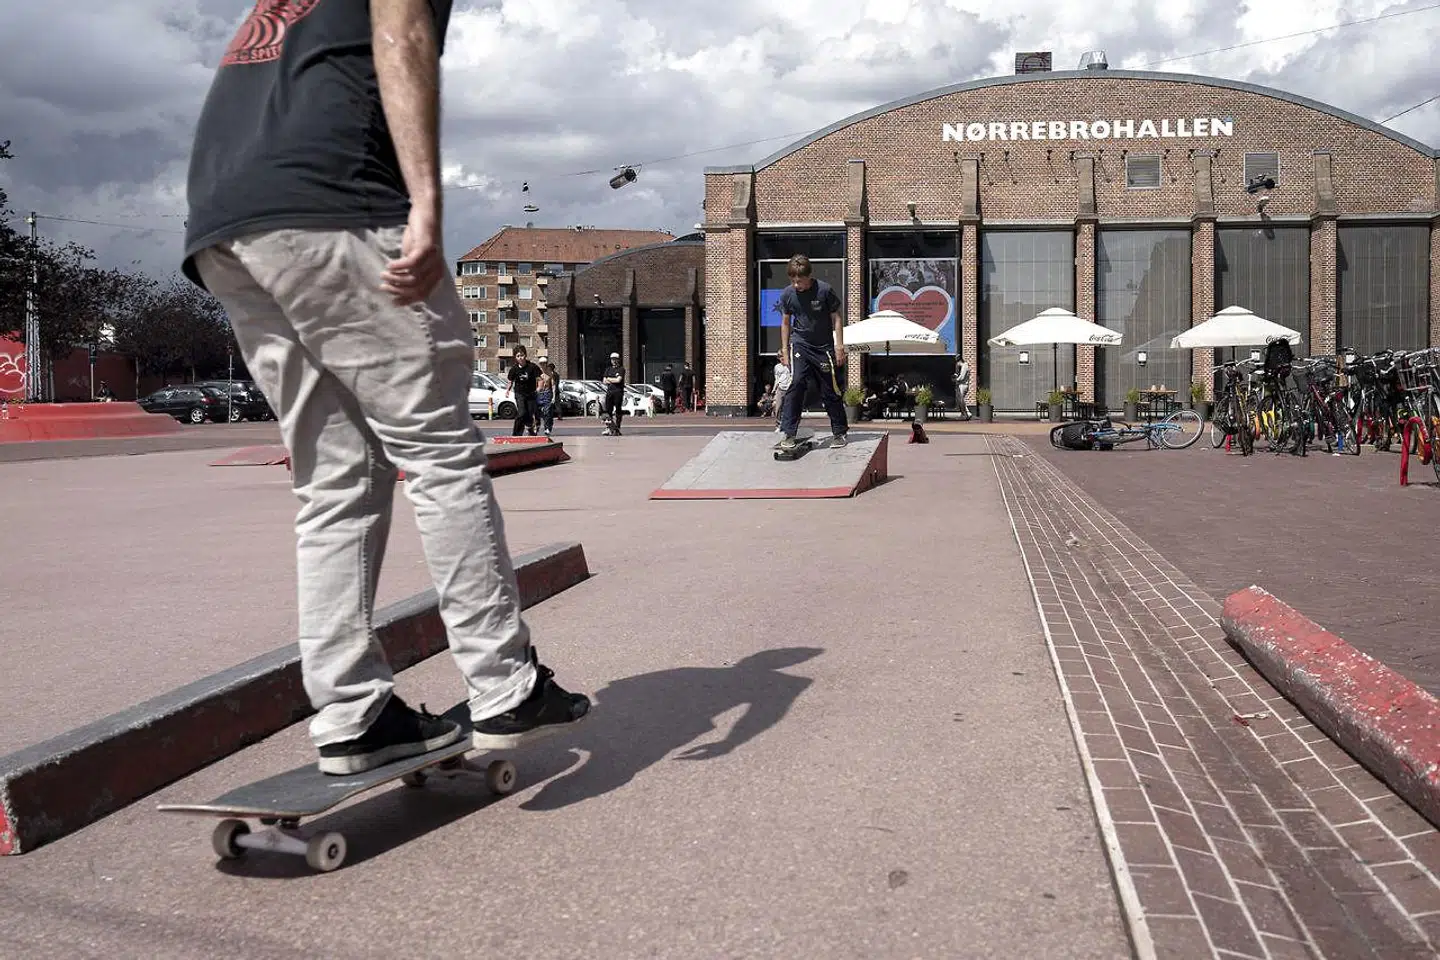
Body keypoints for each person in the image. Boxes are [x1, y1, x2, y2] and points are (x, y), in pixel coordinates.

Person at [178, 0, 589, 775]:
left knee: (332, 481)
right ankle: (505, 683)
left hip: (227, 227)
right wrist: (427, 202)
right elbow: (401, 34)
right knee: (439, 454)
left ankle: (351, 713)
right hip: (334, 208)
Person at [776, 254, 847, 450]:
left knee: (829, 389)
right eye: (793, 281)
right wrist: (784, 348)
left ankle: (839, 432)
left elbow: (837, 318)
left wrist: (839, 346)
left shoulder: (824, 290)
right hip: (800, 345)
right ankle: (789, 433)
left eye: (800, 280)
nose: (797, 284)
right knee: (796, 382)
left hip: (823, 347)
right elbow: (785, 322)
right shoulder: (788, 295)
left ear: (809, 276)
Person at [505, 344, 540, 436]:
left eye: (522, 355)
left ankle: (530, 428)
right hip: (519, 393)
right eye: (518, 356)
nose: (520, 358)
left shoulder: (532, 367)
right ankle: (516, 434)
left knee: (529, 414)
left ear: (525, 355)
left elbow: (540, 379)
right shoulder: (514, 369)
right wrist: (508, 390)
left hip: (531, 393)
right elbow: (510, 381)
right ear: (515, 357)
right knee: (521, 413)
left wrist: (539, 388)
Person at [601, 351, 626, 434]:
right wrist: (612, 379)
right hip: (609, 392)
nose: (614, 361)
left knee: (618, 410)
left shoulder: (621, 369)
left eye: (615, 359)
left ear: (618, 360)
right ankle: (610, 427)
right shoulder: (608, 369)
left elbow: (618, 380)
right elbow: (604, 381)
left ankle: (617, 427)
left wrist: (609, 379)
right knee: (608, 411)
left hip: (618, 392)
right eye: (612, 359)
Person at [536, 358, 557, 437]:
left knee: (547, 412)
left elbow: (553, 385)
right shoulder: (537, 373)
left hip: (547, 394)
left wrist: (553, 397)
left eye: (544, 363)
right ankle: (537, 426)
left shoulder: (550, 373)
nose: (543, 365)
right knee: (537, 412)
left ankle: (547, 428)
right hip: (539, 394)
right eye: (541, 363)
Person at [771, 357, 792, 431]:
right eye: (781, 358)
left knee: (788, 408)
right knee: (778, 408)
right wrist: (774, 389)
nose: (783, 360)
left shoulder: (790, 365)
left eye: (784, 358)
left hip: (789, 389)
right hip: (780, 388)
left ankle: (787, 425)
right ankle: (778, 425)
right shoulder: (777, 367)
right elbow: (776, 378)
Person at [953, 356, 972, 421]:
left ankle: (965, 414)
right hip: (963, 385)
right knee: (961, 400)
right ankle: (967, 413)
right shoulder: (964, 366)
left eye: (957, 363)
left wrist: (956, 379)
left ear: (959, 361)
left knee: (961, 400)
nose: (957, 364)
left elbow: (962, 377)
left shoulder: (964, 366)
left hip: (963, 385)